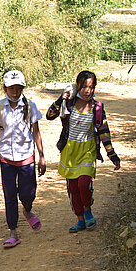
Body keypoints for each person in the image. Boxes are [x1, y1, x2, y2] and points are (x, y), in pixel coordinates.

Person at [46, 70, 120, 233]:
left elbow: (104, 131)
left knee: (84, 183)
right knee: (73, 188)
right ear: (77, 86)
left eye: (91, 87)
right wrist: (62, 98)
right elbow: (49, 115)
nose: (88, 90)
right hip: (70, 151)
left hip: (88, 150)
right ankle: (80, 219)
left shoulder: (98, 108)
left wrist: (111, 154)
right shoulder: (69, 104)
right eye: (84, 87)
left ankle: (87, 210)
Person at [0, 70, 46, 248]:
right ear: (5, 88)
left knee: (28, 193)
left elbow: (36, 131)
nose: (15, 92)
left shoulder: (30, 106)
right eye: (11, 88)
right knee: (9, 195)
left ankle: (27, 210)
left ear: (23, 88)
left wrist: (41, 156)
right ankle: (13, 232)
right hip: (6, 158)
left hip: (26, 156)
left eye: (19, 88)